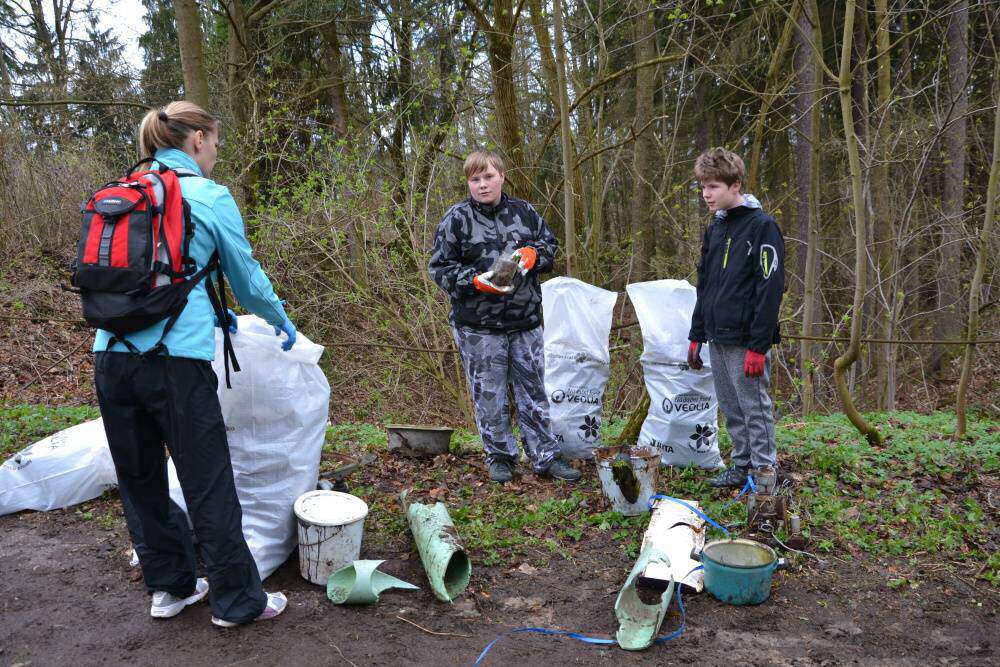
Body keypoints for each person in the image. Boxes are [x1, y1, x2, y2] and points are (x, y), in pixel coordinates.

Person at [93, 101, 296, 626]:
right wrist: (279, 319)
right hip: (176, 365)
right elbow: (246, 276)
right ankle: (237, 602)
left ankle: (171, 587)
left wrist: (215, 311)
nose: (216, 152)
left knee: (139, 478)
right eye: (216, 141)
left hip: (110, 358)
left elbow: (167, 271)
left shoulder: (126, 192)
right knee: (207, 480)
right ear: (198, 139)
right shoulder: (207, 195)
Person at [428, 150, 581, 484]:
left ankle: (545, 457)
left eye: (489, 177)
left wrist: (533, 255)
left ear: (502, 176)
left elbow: (549, 248)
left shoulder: (524, 212)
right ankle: (500, 457)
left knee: (534, 392)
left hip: (525, 321)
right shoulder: (456, 219)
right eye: (475, 179)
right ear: (468, 182)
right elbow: (439, 268)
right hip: (478, 326)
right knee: (489, 394)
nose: (483, 185)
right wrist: (475, 281)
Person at [686, 148, 785, 489]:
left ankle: (765, 473)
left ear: (735, 185)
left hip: (747, 340)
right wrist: (697, 333)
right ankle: (741, 466)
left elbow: (770, 289)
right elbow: (705, 284)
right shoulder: (715, 229)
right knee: (731, 408)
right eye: (702, 187)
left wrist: (759, 344)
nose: (706, 194)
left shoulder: (763, 228)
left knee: (754, 408)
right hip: (717, 336)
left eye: (713, 187)